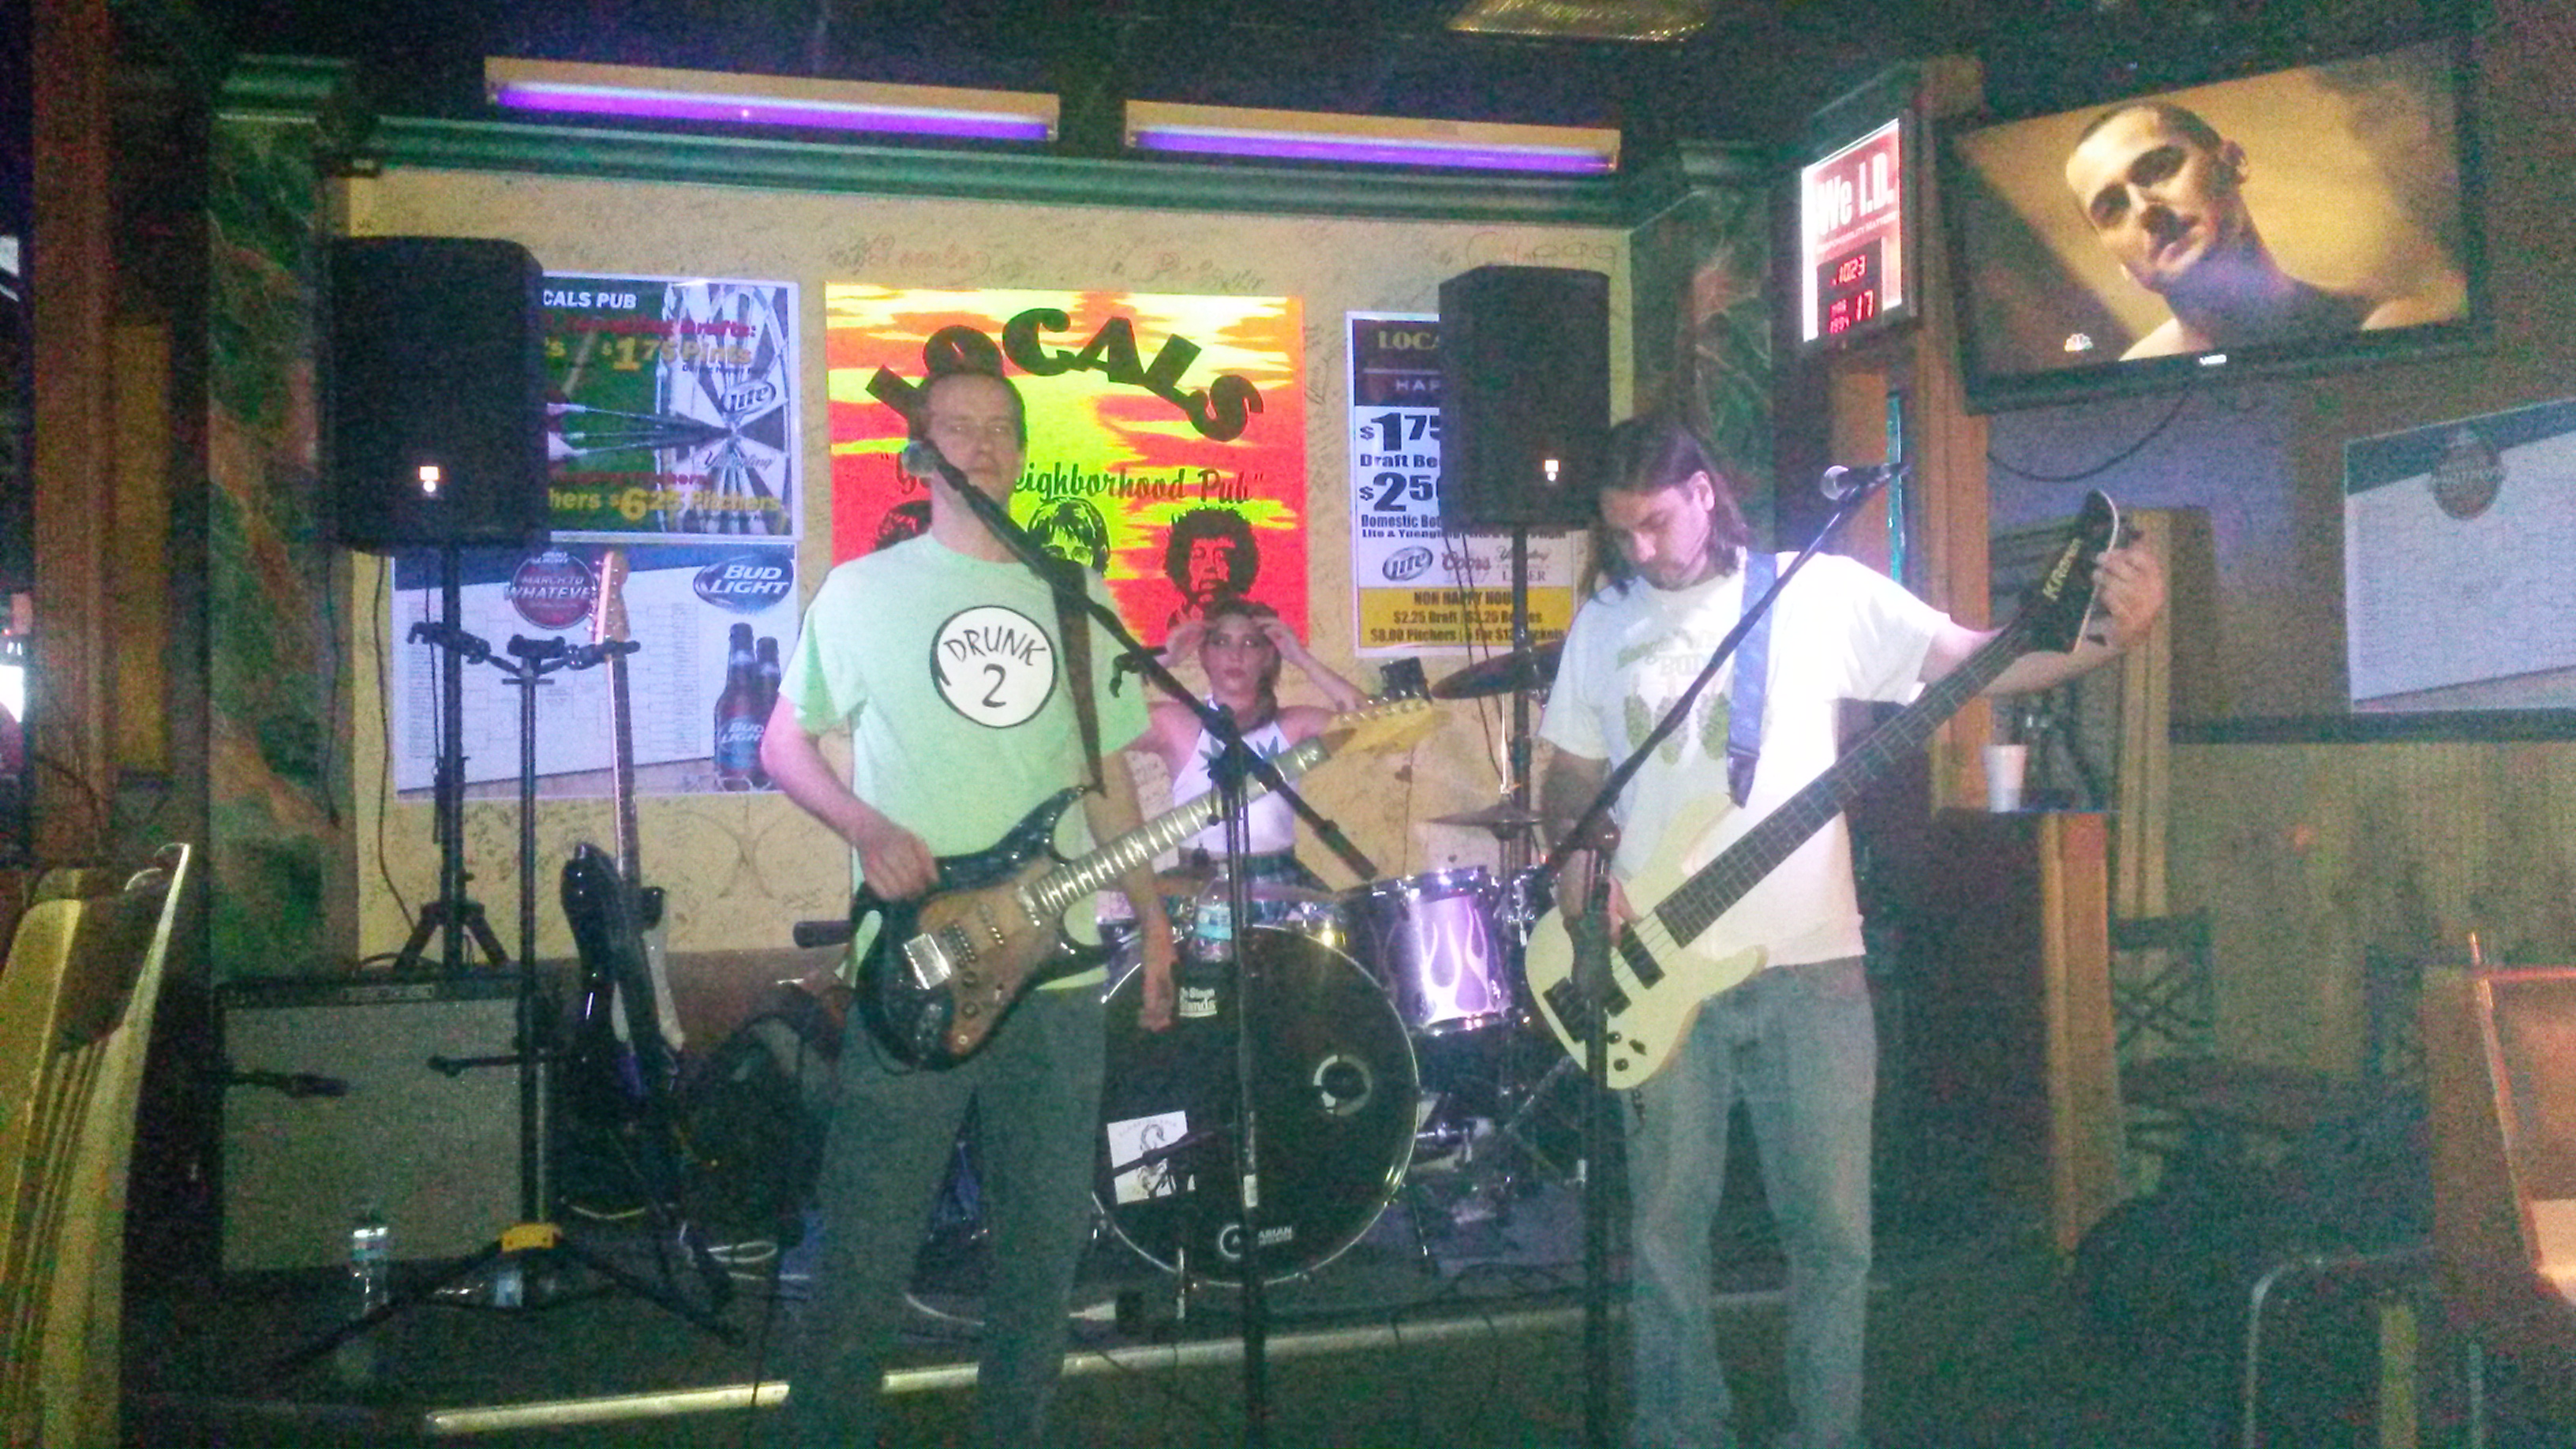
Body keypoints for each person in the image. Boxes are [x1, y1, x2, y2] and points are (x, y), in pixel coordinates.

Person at [1537, 416, 2165, 1449]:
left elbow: (1970, 661)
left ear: (1705, 493)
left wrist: (2107, 639)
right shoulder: (1605, 622)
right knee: (1664, 1236)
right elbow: (1567, 772)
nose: (1642, 551)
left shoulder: (1812, 592)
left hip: (1812, 968)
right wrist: (1579, 866)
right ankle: (1680, 1431)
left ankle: (1823, 1435)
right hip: (1651, 970)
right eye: (1622, 534)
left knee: (1833, 1237)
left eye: (1655, 524)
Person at [758, 366, 1176, 1447]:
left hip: (1058, 972)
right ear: (921, 451)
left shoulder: (1073, 593)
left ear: (1023, 453)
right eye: (959, 428)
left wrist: (1152, 917)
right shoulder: (863, 591)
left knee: (1041, 1256)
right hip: (918, 966)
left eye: (1001, 429)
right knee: (866, 1248)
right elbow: (782, 745)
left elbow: (1107, 777)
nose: (983, 446)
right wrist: (866, 827)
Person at [2061, 100, 2458, 359]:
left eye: (2158, 169)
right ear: (2120, 263)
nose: (2145, 210)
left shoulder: (2388, 329)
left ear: (2232, 162)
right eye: (2112, 208)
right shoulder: (2134, 386)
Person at [1131, 596, 1367, 895]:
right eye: (1221, 643)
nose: (1235, 655)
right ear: (1204, 655)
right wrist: (1163, 658)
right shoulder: (1176, 723)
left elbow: (1371, 724)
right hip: (1197, 884)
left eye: (1250, 643)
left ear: (1268, 657)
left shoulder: (1292, 724)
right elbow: (1095, 729)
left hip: (1280, 882)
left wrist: (1301, 659)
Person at [1162, 506, 1260, 626]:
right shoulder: (1171, 627)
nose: (1210, 567)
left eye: (1222, 557)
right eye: (1198, 556)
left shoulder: (1258, 625)